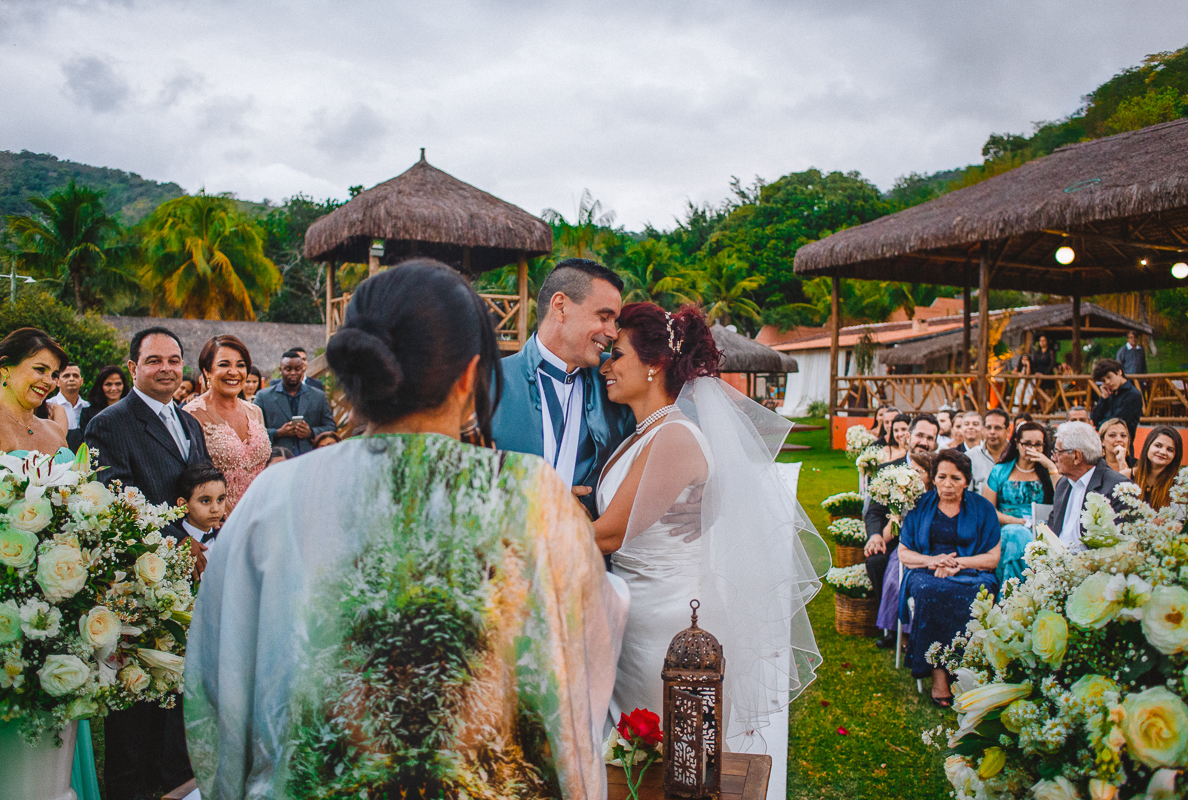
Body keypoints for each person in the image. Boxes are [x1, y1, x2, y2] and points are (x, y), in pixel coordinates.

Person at [185, 261, 630, 799]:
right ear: (471, 376)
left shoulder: (274, 495)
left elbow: (218, 675)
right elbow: (586, 649)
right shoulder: (532, 497)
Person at [592, 301, 826, 800]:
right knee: (639, 761)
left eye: (616, 356)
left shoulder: (673, 435)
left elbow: (609, 534)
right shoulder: (647, 432)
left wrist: (530, 523)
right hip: (633, 613)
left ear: (653, 365)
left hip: (663, 623)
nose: (606, 366)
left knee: (668, 763)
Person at [84, 325, 208, 800]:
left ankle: (174, 787)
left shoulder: (190, 422)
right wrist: (178, 540)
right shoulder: (110, 423)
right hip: (138, 587)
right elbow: (116, 497)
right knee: (136, 707)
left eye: (174, 360)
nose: (166, 369)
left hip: (189, 587)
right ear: (134, 367)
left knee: (177, 700)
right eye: (155, 361)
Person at [0, 328, 103, 800]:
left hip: (61, 588)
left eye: (54, 374)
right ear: (4, 366)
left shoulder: (54, 430)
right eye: (38, 369)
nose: (48, 381)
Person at [490, 258, 635, 516]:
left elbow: (679, 415)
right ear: (560, 306)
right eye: (604, 317)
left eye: (615, 321)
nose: (613, 333)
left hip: (591, 553)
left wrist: (692, 488)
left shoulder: (617, 376)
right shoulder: (489, 380)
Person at [899, 450, 1001, 706]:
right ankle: (938, 673)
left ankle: (968, 667)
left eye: (955, 478)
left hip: (971, 571)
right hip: (926, 571)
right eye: (941, 477)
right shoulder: (919, 505)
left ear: (966, 480)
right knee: (931, 592)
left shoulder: (983, 508)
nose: (947, 484)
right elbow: (904, 553)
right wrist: (933, 561)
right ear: (933, 479)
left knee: (977, 593)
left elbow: (992, 558)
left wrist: (958, 563)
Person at [184, 335, 272, 513]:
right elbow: (186, 477)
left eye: (240, 365)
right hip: (217, 519)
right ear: (207, 371)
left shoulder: (255, 412)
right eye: (224, 365)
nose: (233, 372)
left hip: (261, 510)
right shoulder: (191, 415)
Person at [864, 415, 940, 605]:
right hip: (895, 535)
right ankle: (889, 624)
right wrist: (875, 536)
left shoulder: (939, 472)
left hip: (931, 537)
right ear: (908, 436)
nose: (924, 442)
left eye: (930, 438)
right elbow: (874, 512)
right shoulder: (886, 470)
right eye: (920, 435)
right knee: (876, 560)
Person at [981, 421, 1057, 584]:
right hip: (1007, 526)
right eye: (1027, 444)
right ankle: (1015, 591)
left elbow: (1064, 498)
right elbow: (988, 510)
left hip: (1041, 527)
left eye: (1038, 445)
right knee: (1018, 534)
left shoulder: (1047, 471)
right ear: (1017, 443)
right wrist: (1017, 521)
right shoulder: (1000, 471)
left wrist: (1050, 465)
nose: (1032, 449)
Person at [875, 450, 935, 650]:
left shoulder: (935, 498)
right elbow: (886, 536)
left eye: (920, 471)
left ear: (930, 475)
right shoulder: (905, 498)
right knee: (894, 578)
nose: (914, 475)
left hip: (932, 551)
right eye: (912, 470)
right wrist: (895, 516)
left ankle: (921, 631)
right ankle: (899, 632)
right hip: (906, 549)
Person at [1049, 421, 1131, 550]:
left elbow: (1120, 545)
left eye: (1058, 452)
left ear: (1076, 456)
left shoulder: (1117, 487)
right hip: (1057, 562)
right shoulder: (1063, 483)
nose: (1054, 458)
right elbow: (1051, 530)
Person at [254, 349, 336, 455]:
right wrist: (277, 433)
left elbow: (331, 427)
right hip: (277, 459)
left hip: (309, 457)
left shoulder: (318, 396)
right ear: (280, 370)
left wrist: (310, 432)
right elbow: (253, 431)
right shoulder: (264, 396)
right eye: (288, 369)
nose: (293, 373)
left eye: (297, 369)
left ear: (303, 369)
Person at [1090, 357, 1143, 442]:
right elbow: (1094, 419)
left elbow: (1116, 422)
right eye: (1103, 380)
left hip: (1124, 446)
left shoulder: (1133, 395)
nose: (1107, 382)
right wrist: (1103, 398)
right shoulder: (1110, 394)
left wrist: (1098, 426)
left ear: (1119, 372)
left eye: (1109, 377)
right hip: (1106, 445)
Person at [177, 461, 227, 547]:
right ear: (183, 505)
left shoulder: (226, 538)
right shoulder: (172, 541)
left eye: (220, 500)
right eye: (206, 501)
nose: (215, 509)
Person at [1133, 426, 1183, 511]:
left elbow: (1179, 519)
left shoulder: (1179, 485)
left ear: (1176, 456)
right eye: (1158, 446)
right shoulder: (1127, 476)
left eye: (1170, 450)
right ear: (1148, 445)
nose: (1163, 452)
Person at [46, 361, 89, 450]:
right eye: (66, 376)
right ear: (57, 382)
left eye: (75, 376)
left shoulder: (88, 407)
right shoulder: (48, 407)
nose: (71, 379)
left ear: (82, 381)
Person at [967, 408, 1010, 492]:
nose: (992, 432)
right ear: (983, 430)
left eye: (997, 428)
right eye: (988, 427)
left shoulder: (1017, 455)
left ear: (1008, 431)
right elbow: (967, 493)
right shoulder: (970, 457)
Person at [78, 365, 129, 434]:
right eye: (108, 384)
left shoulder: (132, 412)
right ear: (101, 387)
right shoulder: (88, 414)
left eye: (118, 384)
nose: (113, 388)